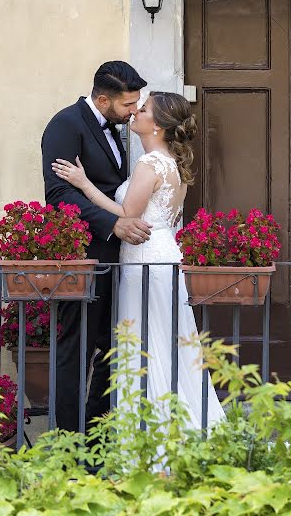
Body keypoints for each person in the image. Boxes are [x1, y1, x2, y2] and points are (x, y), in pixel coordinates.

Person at [51, 91, 225, 429]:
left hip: (145, 258)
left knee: (144, 343)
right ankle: (172, 428)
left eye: (142, 109)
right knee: (162, 341)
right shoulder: (169, 162)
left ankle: (153, 435)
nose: (135, 113)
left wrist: (83, 183)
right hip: (161, 254)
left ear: (157, 124)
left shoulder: (150, 163)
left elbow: (127, 214)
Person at [42, 61, 151, 432]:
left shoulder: (114, 126)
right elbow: (58, 195)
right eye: (127, 105)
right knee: (77, 350)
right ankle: (69, 442)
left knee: (109, 348)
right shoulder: (65, 125)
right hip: (84, 257)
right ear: (103, 99)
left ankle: (96, 436)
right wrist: (113, 225)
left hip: (117, 258)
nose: (134, 110)